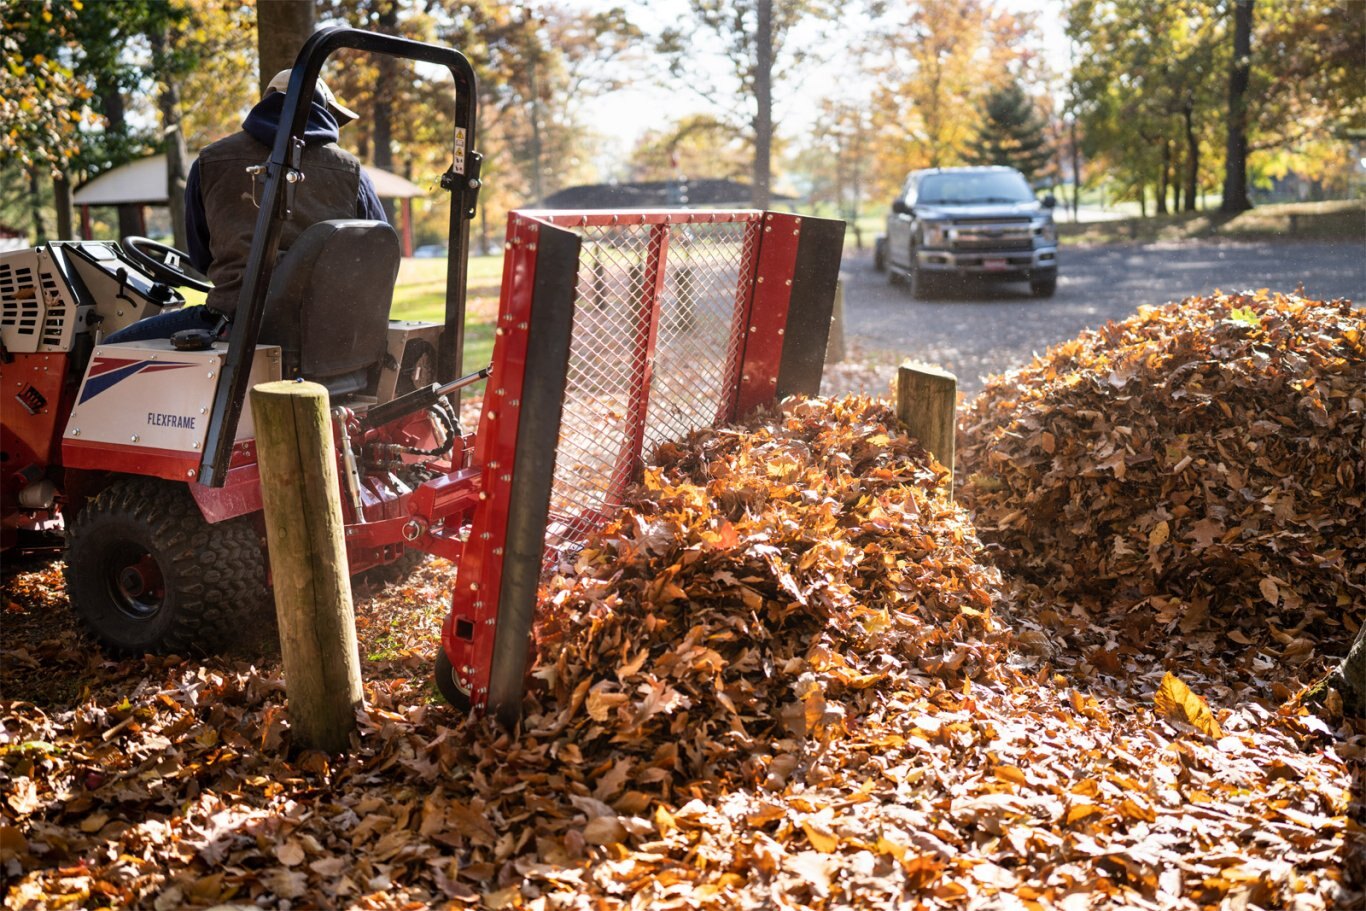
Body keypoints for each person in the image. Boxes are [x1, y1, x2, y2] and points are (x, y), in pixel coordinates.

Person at [106, 70, 386, 343]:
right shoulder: (353, 173)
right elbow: (378, 257)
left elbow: (202, 257)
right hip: (326, 332)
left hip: (234, 323)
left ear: (266, 104)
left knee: (107, 351)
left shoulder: (210, 162)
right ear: (323, 110)